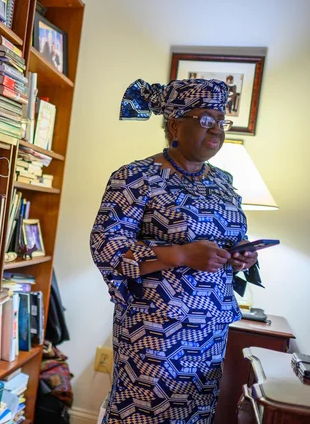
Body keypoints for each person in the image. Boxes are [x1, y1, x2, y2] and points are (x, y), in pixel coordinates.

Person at [91, 79, 261, 424]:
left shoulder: (224, 181)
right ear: (174, 124)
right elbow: (106, 246)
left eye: (221, 121)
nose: (216, 129)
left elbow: (231, 238)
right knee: (143, 417)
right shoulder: (135, 177)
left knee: (195, 418)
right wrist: (180, 255)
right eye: (204, 120)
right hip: (155, 334)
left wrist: (242, 256)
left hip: (210, 334)